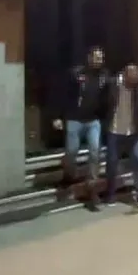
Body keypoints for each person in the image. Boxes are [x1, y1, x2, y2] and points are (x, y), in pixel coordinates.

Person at [53, 46, 111, 212]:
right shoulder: (76, 73)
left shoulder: (105, 76)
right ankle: (68, 177)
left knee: (95, 151)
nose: (99, 61)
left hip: (93, 120)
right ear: (89, 57)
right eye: (96, 57)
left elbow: (109, 96)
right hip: (74, 119)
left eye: (101, 58)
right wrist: (58, 116)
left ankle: (92, 188)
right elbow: (63, 95)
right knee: (72, 151)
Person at [104, 64, 138, 209]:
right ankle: (110, 192)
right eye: (132, 80)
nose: (134, 83)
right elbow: (103, 103)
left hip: (133, 130)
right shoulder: (112, 84)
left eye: (136, 80)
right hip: (114, 130)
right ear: (125, 76)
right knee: (112, 162)